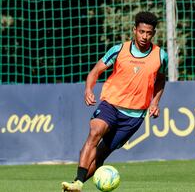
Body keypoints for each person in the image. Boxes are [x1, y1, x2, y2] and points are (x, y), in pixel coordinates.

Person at [61, 11, 168, 192]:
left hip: (134, 116)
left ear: (154, 33)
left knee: (101, 155)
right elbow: (95, 72)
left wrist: (155, 102)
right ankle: (77, 182)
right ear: (134, 30)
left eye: (149, 33)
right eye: (141, 31)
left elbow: (160, 79)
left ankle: (76, 185)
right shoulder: (119, 50)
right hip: (110, 104)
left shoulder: (160, 56)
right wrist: (88, 89)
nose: (144, 36)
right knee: (95, 132)